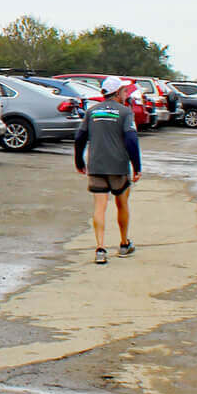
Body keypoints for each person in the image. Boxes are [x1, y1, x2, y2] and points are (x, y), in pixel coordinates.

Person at [73, 76, 142, 264]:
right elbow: (131, 139)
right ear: (118, 93)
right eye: (125, 91)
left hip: (96, 165)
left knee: (99, 207)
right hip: (118, 167)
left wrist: (79, 161)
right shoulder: (125, 112)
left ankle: (100, 248)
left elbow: (80, 137)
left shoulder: (92, 111)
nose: (126, 94)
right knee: (122, 204)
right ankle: (123, 244)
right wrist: (137, 167)